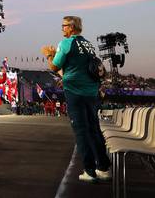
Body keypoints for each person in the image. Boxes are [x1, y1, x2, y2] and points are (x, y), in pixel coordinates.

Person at [42, 15, 111, 183]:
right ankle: (103, 168)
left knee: (81, 131)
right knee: (94, 129)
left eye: (64, 25)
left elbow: (54, 66)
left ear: (72, 27)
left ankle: (89, 171)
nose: (62, 28)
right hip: (91, 92)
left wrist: (49, 55)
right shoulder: (88, 44)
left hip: (75, 91)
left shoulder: (65, 43)